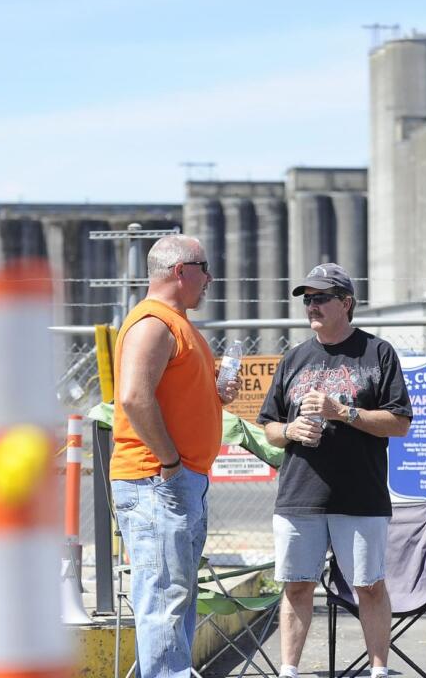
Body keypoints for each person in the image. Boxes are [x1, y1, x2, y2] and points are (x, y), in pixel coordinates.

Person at [257, 263, 412, 678]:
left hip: (360, 496)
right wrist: (290, 429)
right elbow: (268, 427)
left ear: (346, 303)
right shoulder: (294, 357)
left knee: (369, 585)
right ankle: (288, 669)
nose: (312, 306)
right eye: (307, 299)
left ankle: (379, 670)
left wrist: (343, 412)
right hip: (299, 496)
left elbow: (400, 423)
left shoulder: (377, 353)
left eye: (321, 298)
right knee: (296, 585)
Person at [110, 234, 239, 678]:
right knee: (164, 598)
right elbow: (133, 398)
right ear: (180, 271)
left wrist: (213, 394)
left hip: (174, 481)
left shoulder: (176, 324)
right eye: (205, 268)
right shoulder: (153, 323)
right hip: (157, 481)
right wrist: (169, 462)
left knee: (173, 598)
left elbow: (165, 396)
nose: (210, 279)